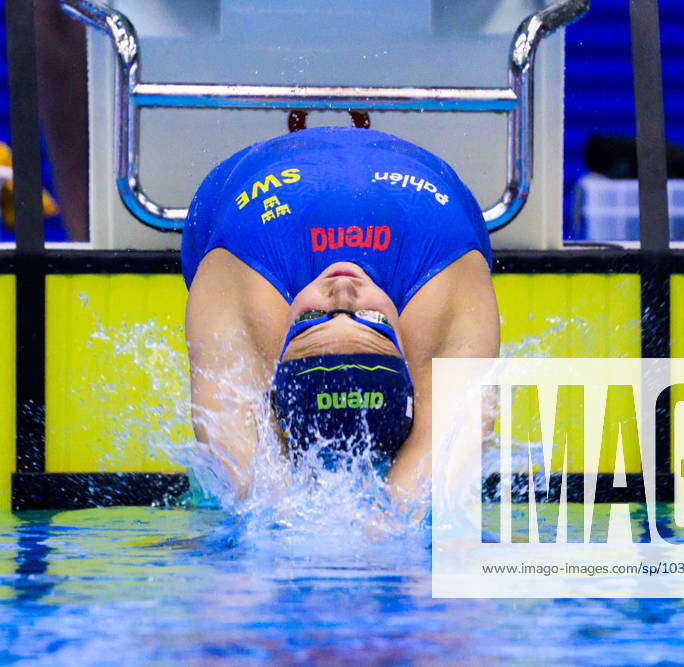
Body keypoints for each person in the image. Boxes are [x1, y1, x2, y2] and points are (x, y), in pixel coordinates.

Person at [183, 126, 500, 510]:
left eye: (314, 317)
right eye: (371, 318)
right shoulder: (441, 279)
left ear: (279, 350)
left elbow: (240, 451)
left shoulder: (244, 277)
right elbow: (449, 440)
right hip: (425, 203)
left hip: (248, 199)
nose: (343, 290)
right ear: (404, 346)